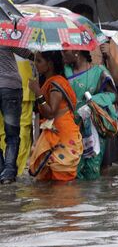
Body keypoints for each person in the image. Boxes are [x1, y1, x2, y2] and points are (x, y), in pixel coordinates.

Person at [28, 51, 83, 181]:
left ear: (50, 64)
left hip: (62, 135)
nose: (35, 64)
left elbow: (51, 112)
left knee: (61, 184)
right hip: (55, 134)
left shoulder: (56, 83)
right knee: (50, 183)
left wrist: (37, 93)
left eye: (39, 61)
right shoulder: (52, 81)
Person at [63, 50, 117, 180]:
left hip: (93, 128)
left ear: (77, 52)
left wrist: (92, 102)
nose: (62, 54)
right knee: (70, 169)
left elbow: (112, 95)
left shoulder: (99, 72)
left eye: (65, 51)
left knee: (92, 169)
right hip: (69, 127)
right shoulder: (63, 71)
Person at [0, 47, 32, 184]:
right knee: (12, 135)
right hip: (10, 87)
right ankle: (8, 173)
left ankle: (2, 169)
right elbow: (27, 54)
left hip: (10, 87)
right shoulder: (5, 34)